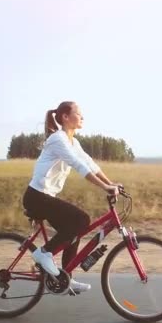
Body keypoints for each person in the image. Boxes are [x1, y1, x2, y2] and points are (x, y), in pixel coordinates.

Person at [23, 101, 120, 293]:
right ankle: (44, 253)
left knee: (75, 231)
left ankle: (65, 278)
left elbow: (89, 163)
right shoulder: (58, 139)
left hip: (45, 197)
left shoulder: (73, 142)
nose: (82, 117)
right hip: (37, 197)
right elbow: (78, 165)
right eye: (78, 113)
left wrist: (111, 183)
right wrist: (105, 187)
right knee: (81, 219)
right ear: (65, 117)